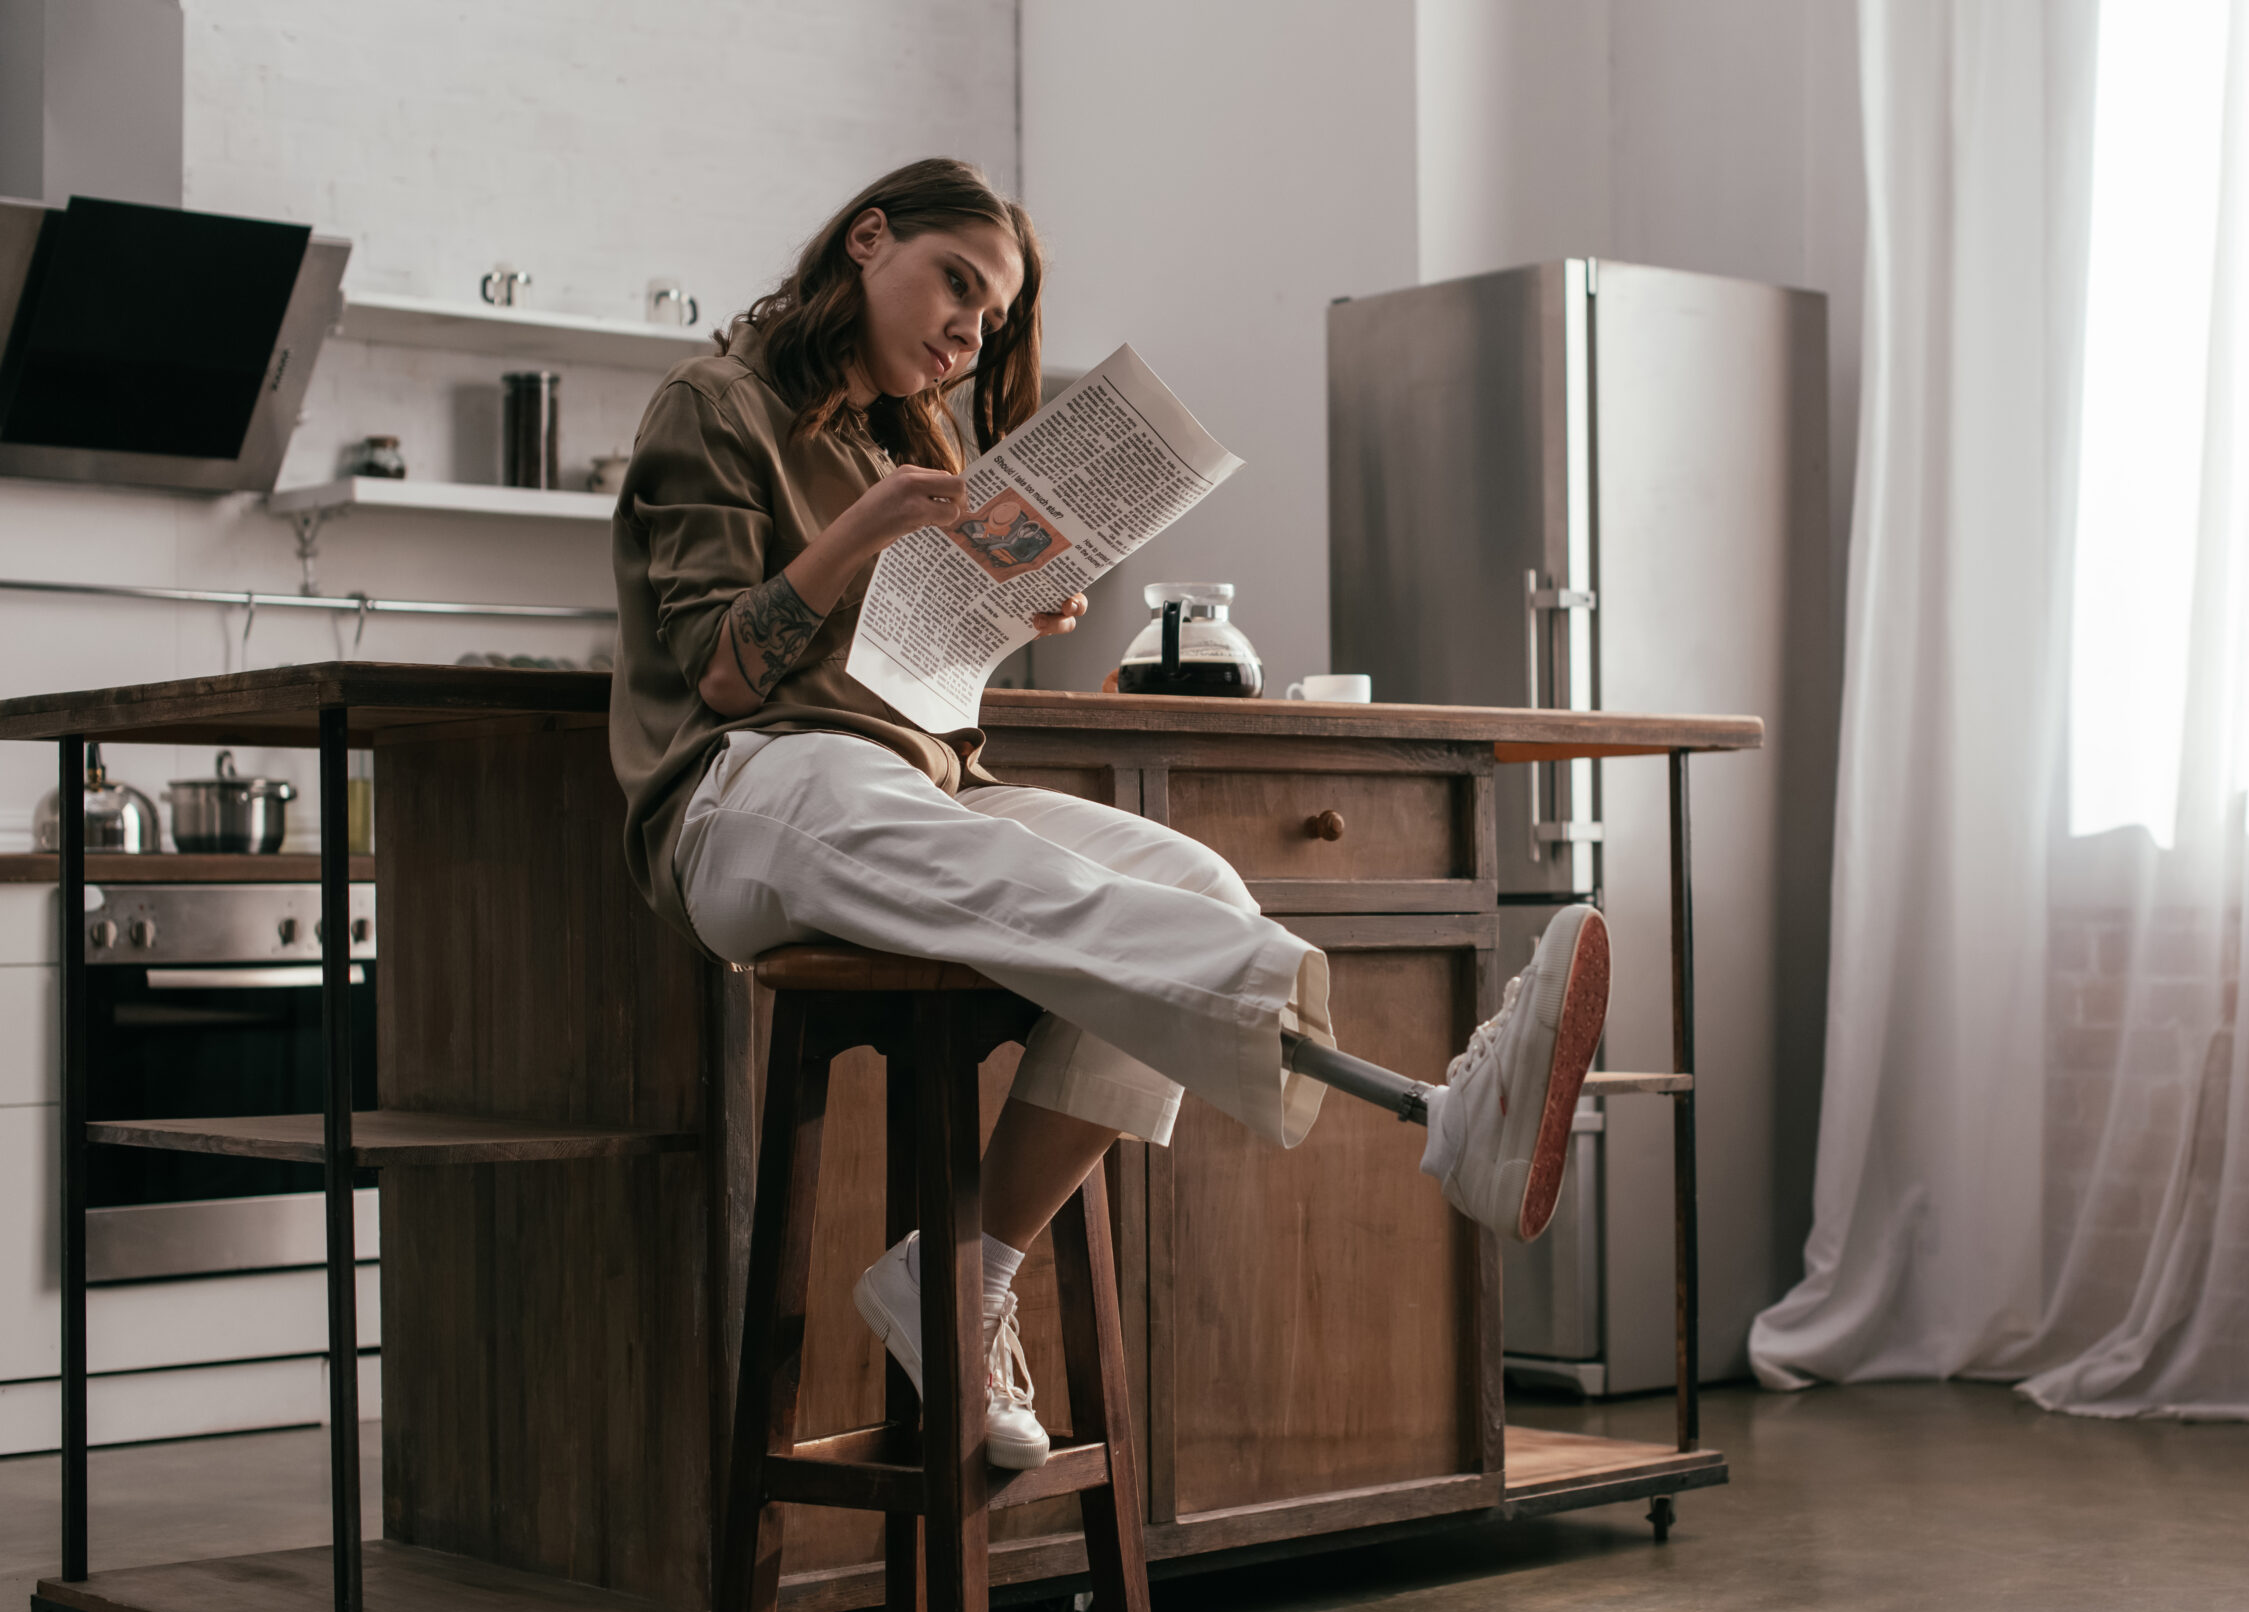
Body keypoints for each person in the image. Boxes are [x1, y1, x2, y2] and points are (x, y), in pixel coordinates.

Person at [609, 158, 1608, 1473]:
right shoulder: (715, 403)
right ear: (866, 242)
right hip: (744, 799)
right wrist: (864, 535)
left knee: (1185, 885)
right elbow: (725, 670)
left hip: (902, 789)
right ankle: (1437, 1114)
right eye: (956, 285)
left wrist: (991, 611)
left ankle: (958, 1273)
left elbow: (912, 690)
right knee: (1015, 876)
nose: (969, 333)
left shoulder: (911, 444)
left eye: (992, 316)